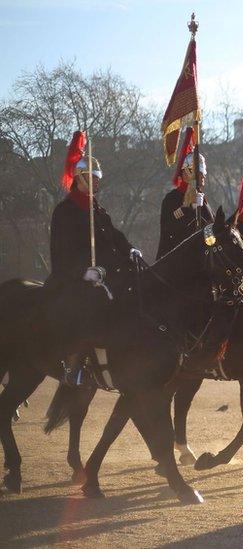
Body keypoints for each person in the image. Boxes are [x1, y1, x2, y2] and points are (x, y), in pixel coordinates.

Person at [49, 131, 142, 385]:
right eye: (92, 177)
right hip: (74, 278)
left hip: (105, 271)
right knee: (90, 302)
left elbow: (114, 235)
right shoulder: (65, 211)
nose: (96, 183)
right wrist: (82, 272)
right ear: (79, 178)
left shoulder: (96, 209)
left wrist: (130, 249)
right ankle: (75, 363)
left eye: (97, 178)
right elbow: (61, 252)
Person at [157, 127, 214, 259]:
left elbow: (211, 229)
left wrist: (202, 207)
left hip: (200, 258)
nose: (202, 178)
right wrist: (188, 209)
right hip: (175, 260)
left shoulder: (204, 200)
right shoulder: (172, 199)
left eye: (203, 174)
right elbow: (169, 230)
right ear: (186, 173)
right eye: (199, 174)